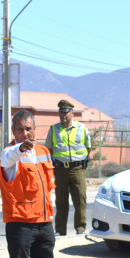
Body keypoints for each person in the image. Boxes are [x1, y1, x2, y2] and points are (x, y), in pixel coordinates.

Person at [0, 110, 64, 258]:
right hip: (20, 224)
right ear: (13, 132)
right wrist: (20, 148)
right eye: (20, 129)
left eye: (28, 129)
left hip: (45, 222)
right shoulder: (10, 154)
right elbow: (8, 157)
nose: (25, 133)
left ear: (35, 130)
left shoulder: (44, 152)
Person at [44, 99, 91, 236]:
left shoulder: (82, 128)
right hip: (60, 170)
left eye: (65, 112)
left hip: (77, 169)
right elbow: (49, 149)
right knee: (61, 201)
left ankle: (80, 228)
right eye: (61, 113)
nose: (63, 115)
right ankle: (60, 230)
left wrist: (83, 161)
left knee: (80, 199)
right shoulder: (54, 129)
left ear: (72, 113)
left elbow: (88, 147)